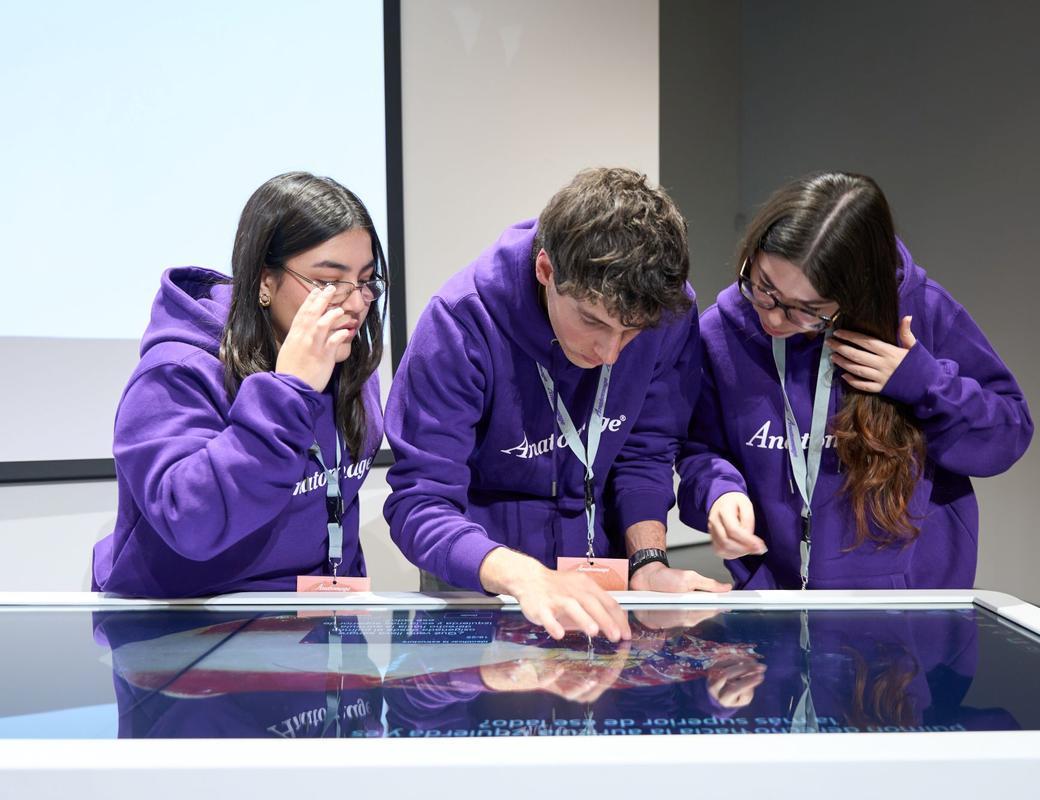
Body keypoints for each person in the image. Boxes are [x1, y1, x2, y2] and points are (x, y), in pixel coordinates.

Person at [384, 167, 730, 642]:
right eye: (592, 321)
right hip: (484, 587)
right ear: (546, 270)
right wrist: (525, 577)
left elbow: (644, 452)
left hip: (603, 583)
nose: (610, 354)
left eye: (631, 333)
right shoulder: (458, 325)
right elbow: (420, 503)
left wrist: (648, 563)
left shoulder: (665, 312)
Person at [677, 172, 1033, 590]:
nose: (772, 317)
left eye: (805, 310)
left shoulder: (924, 311)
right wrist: (720, 492)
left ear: (857, 295)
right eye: (763, 287)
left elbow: (1008, 432)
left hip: (910, 615)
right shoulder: (720, 333)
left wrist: (922, 382)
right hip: (777, 603)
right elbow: (699, 448)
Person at [92, 172, 388, 597]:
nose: (357, 302)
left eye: (365, 281)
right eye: (328, 282)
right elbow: (192, 523)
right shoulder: (176, 371)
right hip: (187, 630)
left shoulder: (348, 363)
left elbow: (337, 505)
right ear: (265, 282)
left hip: (310, 626)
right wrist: (288, 391)